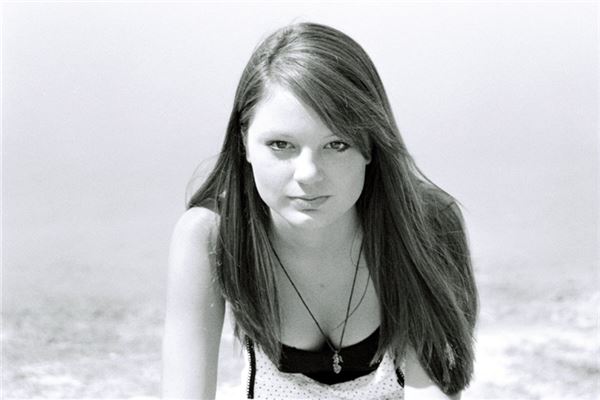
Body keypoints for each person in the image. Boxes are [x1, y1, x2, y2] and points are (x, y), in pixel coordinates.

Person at [161, 22, 478, 400]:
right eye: (281, 145)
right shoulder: (211, 237)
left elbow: (436, 389)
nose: (308, 174)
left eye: (336, 144)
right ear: (244, 142)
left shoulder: (426, 224)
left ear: (371, 146)